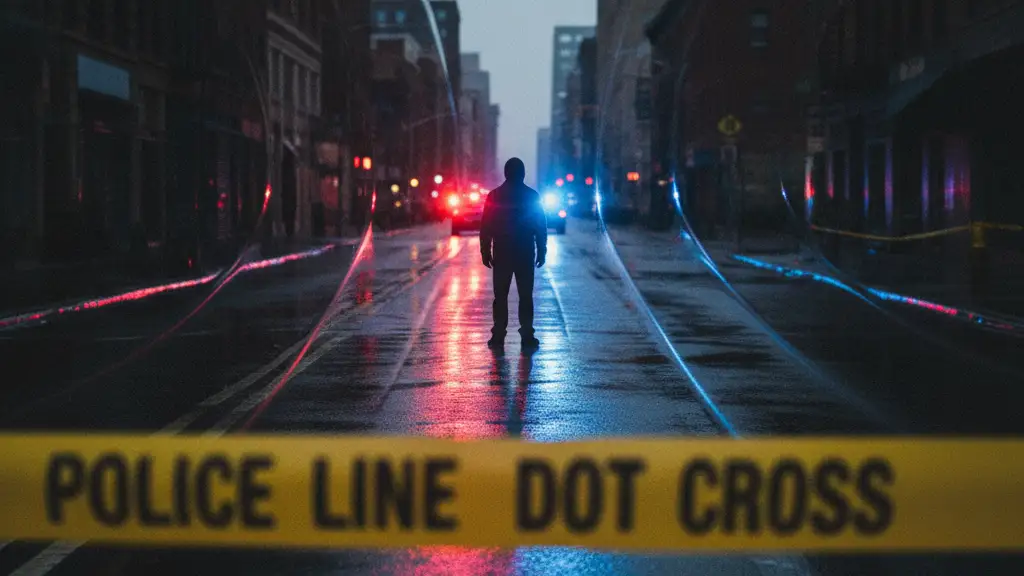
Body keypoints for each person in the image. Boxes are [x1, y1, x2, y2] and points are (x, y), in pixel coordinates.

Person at [480, 158, 547, 350]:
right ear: (523, 173)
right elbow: (540, 226)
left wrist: (485, 251)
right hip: (524, 252)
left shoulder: (494, 196)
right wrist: (541, 250)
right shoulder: (532, 196)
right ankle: (527, 335)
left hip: (502, 252)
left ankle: (499, 335)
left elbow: (486, 226)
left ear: (505, 173)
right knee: (526, 296)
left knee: (500, 296)